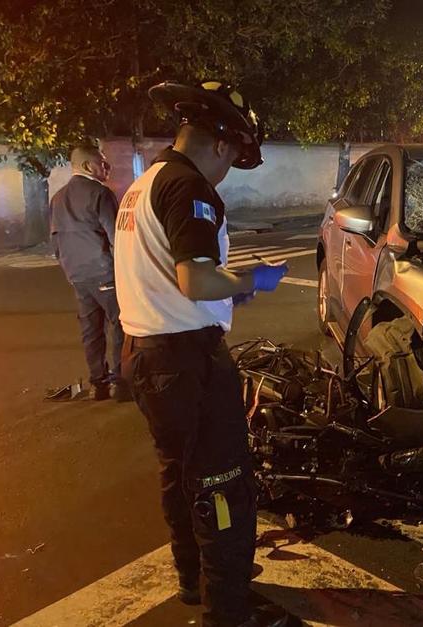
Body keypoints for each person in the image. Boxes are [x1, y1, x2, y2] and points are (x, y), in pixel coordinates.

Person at [115, 80, 288, 626]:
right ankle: (229, 612)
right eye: (234, 158)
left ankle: (193, 579)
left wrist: (227, 283)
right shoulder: (190, 189)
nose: (229, 170)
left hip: (146, 355)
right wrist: (253, 281)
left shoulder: (143, 185)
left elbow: (169, 276)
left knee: (180, 474)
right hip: (186, 361)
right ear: (219, 145)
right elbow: (194, 280)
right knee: (223, 485)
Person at [49, 145, 129, 401]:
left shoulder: (58, 198)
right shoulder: (101, 194)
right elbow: (117, 238)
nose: (107, 167)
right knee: (120, 325)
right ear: (86, 166)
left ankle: (98, 384)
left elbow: (55, 241)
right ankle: (120, 383)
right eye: (102, 163)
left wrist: (68, 267)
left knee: (90, 330)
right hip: (104, 272)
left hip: (76, 274)